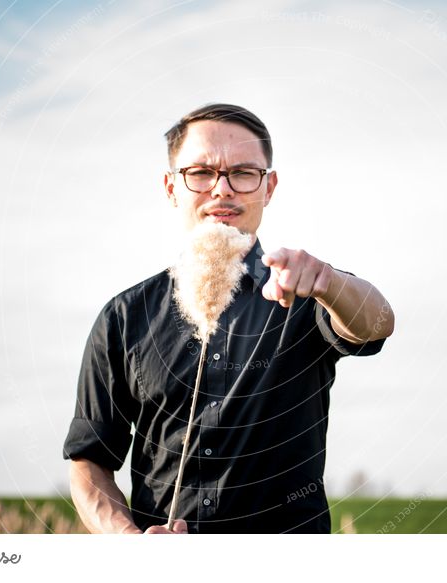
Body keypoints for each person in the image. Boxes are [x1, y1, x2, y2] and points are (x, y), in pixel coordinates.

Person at [63, 103, 395, 534]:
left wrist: (329, 282)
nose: (222, 190)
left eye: (243, 173)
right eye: (200, 173)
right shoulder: (124, 317)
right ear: (170, 187)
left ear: (268, 187)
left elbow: (377, 323)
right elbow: (90, 460)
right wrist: (127, 541)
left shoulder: (308, 290)